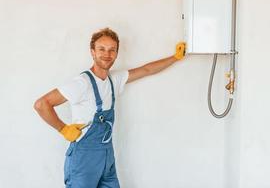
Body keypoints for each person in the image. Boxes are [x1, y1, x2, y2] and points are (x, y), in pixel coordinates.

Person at [34, 27, 186, 188]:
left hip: (107, 157)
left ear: (116, 54)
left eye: (112, 50)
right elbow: (41, 104)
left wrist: (175, 58)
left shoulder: (114, 80)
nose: (107, 54)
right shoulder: (82, 83)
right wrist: (63, 128)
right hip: (84, 158)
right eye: (101, 49)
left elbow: (146, 70)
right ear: (92, 52)